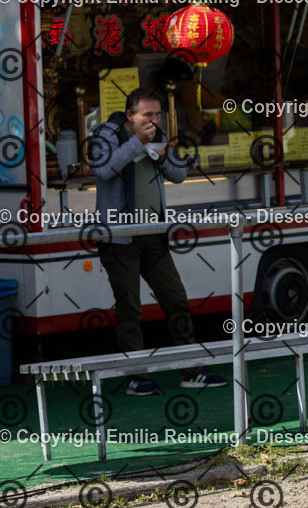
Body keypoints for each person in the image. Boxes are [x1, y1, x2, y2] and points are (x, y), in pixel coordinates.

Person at [92, 88, 228, 395]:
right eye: (147, 115)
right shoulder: (106, 133)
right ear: (130, 115)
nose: (153, 120)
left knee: (176, 299)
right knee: (130, 307)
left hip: (153, 233)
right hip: (119, 236)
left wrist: (165, 156)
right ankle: (136, 376)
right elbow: (102, 169)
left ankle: (191, 370)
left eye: (157, 115)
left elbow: (179, 175)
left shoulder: (158, 134)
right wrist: (136, 143)